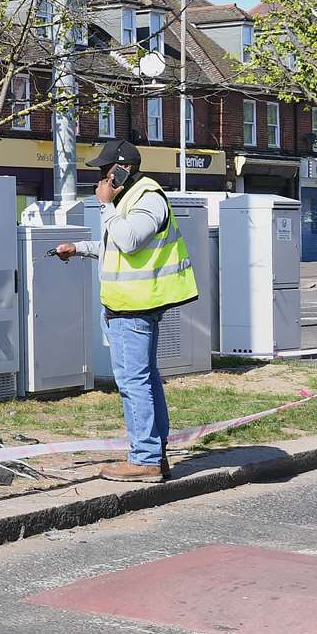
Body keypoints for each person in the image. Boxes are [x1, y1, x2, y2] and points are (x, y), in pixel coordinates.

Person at [54, 140, 199, 483]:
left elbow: (130, 240)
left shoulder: (148, 198)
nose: (100, 179)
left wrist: (105, 206)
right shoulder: (131, 200)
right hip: (129, 304)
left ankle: (145, 458)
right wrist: (79, 249)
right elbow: (116, 247)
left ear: (123, 170)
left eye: (105, 171)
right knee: (144, 379)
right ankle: (153, 452)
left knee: (134, 382)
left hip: (134, 306)